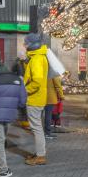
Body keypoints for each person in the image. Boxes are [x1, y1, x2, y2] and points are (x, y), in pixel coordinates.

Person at [23, 33, 49, 166]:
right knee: (37, 127)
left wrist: (24, 90)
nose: (24, 45)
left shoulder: (37, 59)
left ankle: (40, 156)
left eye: (26, 43)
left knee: (36, 128)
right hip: (38, 97)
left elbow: (37, 81)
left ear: (32, 44)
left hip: (34, 98)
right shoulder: (37, 57)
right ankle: (40, 153)